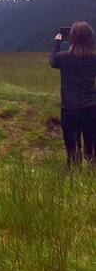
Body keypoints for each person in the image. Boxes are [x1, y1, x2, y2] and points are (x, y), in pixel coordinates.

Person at [50, 21, 96, 166]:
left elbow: (52, 61)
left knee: (72, 149)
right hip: (91, 107)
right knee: (92, 148)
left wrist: (57, 43)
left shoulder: (63, 57)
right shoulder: (94, 58)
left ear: (72, 38)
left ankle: (72, 174)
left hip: (69, 108)